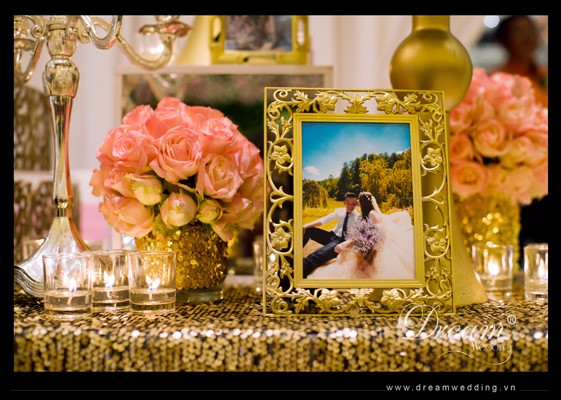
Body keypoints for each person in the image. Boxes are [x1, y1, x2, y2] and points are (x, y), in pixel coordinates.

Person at [308, 191, 415, 280]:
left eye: (358, 200)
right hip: (360, 242)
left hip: (377, 248)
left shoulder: (372, 214)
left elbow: (376, 237)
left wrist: (368, 258)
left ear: (362, 202)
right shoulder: (367, 214)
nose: (356, 202)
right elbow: (366, 234)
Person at [302, 192, 361, 278]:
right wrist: (305, 226)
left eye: (353, 204)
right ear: (344, 203)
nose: (350, 206)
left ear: (356, 204)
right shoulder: (339, 211)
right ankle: (294, 253)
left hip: (340, 242)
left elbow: (357, 236)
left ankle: (299, 274)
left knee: (315, 256)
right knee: (308, 230)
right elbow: (324, 220)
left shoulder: (358, 217)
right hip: (331, 236)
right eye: (348, 203)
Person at [494, 15, 548, 107]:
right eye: (519, 31)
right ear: (504, 40)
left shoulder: (544, 73)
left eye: (531, 30)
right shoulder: (497, 81)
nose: (527, 36)